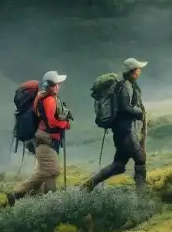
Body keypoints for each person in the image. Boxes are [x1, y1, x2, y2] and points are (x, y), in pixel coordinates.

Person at [84, 58, 149, 190]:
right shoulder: (126, 85)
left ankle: (88, 186)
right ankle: (142, 194)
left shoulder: (123, 85)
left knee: (118, 166)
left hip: (120, 131)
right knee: (140, 159)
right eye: (138, 69)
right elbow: (125, 107)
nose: (140, 71)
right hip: (125, 131)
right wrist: (140, 113)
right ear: (133, 71)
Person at [8, 70, 71, 205]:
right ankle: (16, 193)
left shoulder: (42, 98)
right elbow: (51, 121)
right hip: (45, 141)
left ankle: (50, 201)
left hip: (43, 140)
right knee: (48, 171)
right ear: (51, 86)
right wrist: (65, 124)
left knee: (49, 172)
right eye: (56, 84)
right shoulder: (49, 100)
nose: (59, 86)